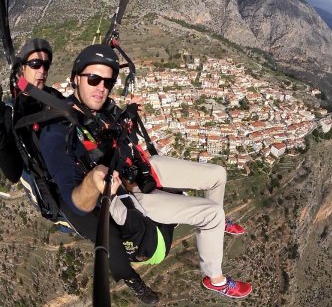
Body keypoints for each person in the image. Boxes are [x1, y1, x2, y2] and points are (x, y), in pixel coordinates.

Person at [38, 44, 252, 304]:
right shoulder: (58, 132)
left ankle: (214, 229)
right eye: (94, 78)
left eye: (108, 81)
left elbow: (117, 133)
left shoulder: (101, 108)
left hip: (140, 167)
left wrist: (127, 116)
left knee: (218, 174)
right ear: (75, 79)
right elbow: (76, 203)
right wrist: (94, 183)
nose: (101, 87)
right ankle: (215, 278)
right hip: (131, 194)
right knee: (212, 213)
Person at [0, 38, 63, 185]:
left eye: (46, 65)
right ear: (22, 69)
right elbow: (13, 174)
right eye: (35, 64)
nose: (42, 70)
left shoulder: (54, 96)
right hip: (51, 187)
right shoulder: (12, 112)